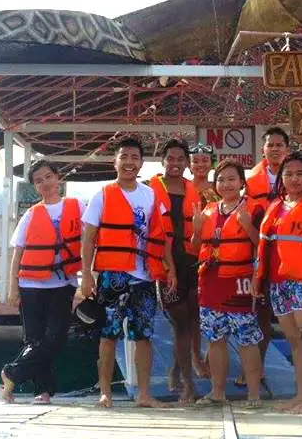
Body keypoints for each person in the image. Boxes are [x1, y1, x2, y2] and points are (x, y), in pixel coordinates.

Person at [79, 138, 176, 409]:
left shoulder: (151, 195)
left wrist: (169, 268)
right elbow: (88, 238)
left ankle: (144, 394)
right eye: (124, 157)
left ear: (142, 163)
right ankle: (106, 392)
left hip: (144, 275)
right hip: (113, 274)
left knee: (143, 336)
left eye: (135, 157)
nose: (129, 162)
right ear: (116, 161)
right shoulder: (102, 195)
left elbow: (163, 236)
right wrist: (86, 275)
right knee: (108, 334)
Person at [0, 160, 86, 404]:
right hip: (31, 286)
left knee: (56, 337)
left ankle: (10, 373)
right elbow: (17, 254)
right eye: (38, 180)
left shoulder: (77, 206)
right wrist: (12, 289)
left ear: (58, 177)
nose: (45, 183)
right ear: (35, 186)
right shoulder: (31, 214)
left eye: (48, 177)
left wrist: (89, 277)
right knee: (35, 340)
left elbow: (90, 240)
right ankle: (41, 392)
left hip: (64, 284)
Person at [253, 151, 302, 414]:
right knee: (295, 340)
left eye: (300, 174)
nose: (294, 179)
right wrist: (258, 278)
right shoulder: (277, 206)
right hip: (279, 283)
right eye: (289, 174)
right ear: (280, 178)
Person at [191, 159, 265, 407]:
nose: (226, 184)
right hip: (210, 282)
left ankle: (254, 394)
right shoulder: (208, 210)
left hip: (240, 282)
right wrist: (196, 230)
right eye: (221, 179)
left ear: (242, 183)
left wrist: (247, 226)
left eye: (232, 179)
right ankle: (217, 392)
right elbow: (195, 247)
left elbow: (264, 247)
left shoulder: (254, 210)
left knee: (247, 339)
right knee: (215, 339)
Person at [148, 138, 204, 404]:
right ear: (163, 162)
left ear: (187, 163)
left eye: (180, 159)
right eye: (170, 158)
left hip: (192, 261)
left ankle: (176, 370)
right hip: (165, 263)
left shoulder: (193, 190)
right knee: (181, 321)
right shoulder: (150, 189)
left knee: (193, 319)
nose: (175, 163)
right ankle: (188, 385)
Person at [239, 126, 289, 386]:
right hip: (260, 252)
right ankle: (255, 369)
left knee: (293, 314)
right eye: (271, 145)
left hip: (291, 253)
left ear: (287, 149)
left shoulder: (299, 176)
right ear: (263, 149)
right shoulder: (251, 182)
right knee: (259, 313)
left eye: (280, 145)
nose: (275, 149)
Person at [187, 142, 218, 380]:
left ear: (212, 163)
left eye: (204, 160)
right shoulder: (182, 188)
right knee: (190, 313)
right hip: (185, 253)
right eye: (195, 160)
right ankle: (194, 357)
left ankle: (209, 357)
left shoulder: (218, 189)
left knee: (209, 309)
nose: (200, 164)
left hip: (211, 254)